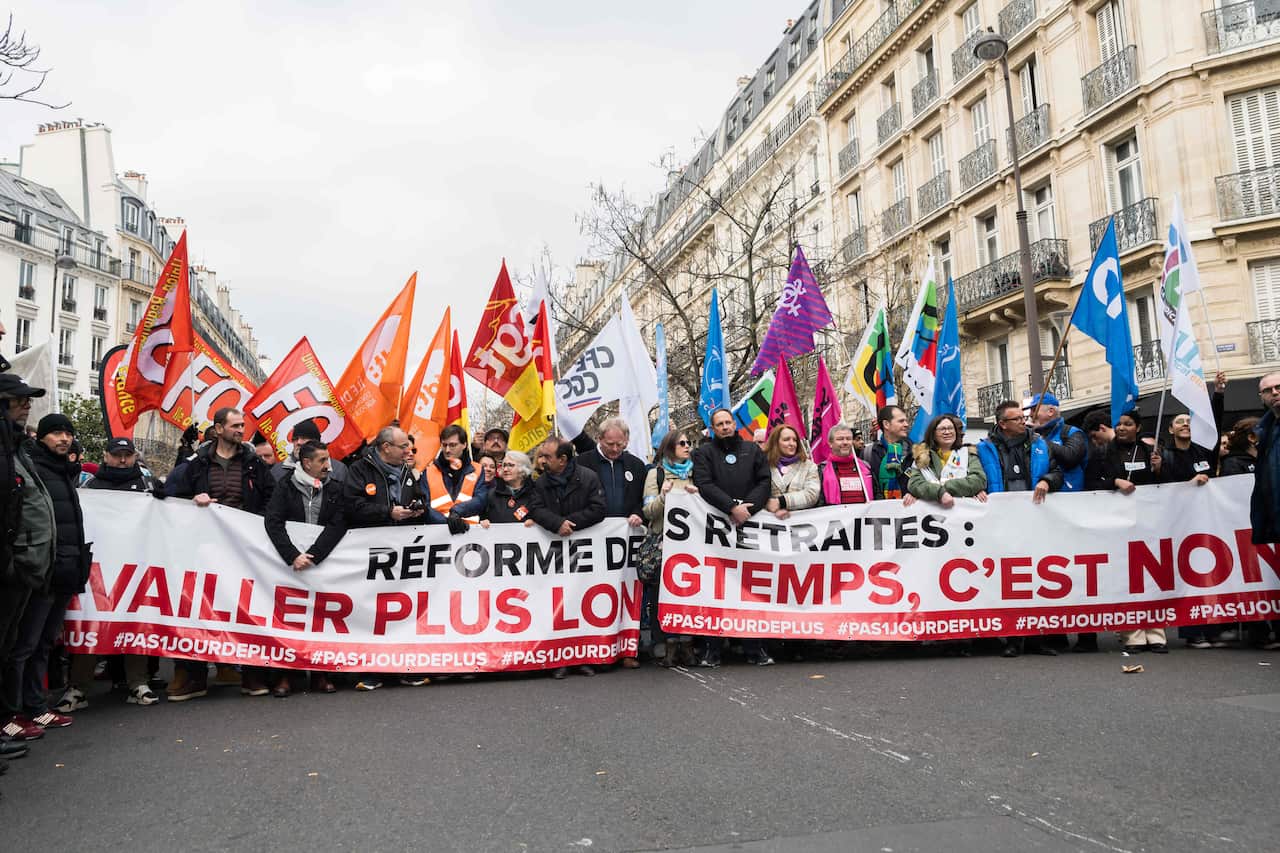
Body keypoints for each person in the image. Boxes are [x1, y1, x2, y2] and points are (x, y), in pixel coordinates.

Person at [164, 407, 275, 701]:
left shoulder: (253, 463)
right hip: (203, 550)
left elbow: (271, 499)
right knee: (199, 609)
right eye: (235, 425)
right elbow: (164, 494)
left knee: (247, 609)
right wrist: (191, 499)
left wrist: (254, 526)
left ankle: (251, 673)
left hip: (243, 550)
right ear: (218, 428)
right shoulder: (197, 463)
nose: (241, 430)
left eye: (242, 425)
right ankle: (192, 676)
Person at [57, 437, 159, 712]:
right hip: (99, 568)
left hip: (137, 564)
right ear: (105, 456)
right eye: (117, 455)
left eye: (128, 455)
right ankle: (78, 687)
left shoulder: (148, 485)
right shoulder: (91, 486)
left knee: (136, 622)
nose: (123, 460)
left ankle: (138, 682)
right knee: (92, 624)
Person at [2, 413, 87, 737]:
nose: (63, 439)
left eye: (67, 433)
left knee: (43, 643)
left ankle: (36, 706)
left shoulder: (64, 471)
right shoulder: (33, 468)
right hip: (41, 570)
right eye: (56, 433)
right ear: (42, 438)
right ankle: (13, 711)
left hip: (64, 568)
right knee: (24, 644)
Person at [343, 425, 435, 691]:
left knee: (401, 609)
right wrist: (387, 513)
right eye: (403, 446)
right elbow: (352, 506)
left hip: (403, 550)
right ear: (386, 448)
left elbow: (418, 497)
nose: (409, 450)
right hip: (372, 551)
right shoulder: (360, 470)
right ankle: (372, 671)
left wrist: (418, 508)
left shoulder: (407, 471)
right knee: (373, 611)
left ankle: (403, 667)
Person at [978, 400, 1063, 657]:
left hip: (1035, 520)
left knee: (1038, 579)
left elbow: (1058, 471)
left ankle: (1038, 639)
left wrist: (1048, 481)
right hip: (1002, 521)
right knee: (1010, 582)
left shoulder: (1040, 444)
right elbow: (976, 476)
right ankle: (1013, 639)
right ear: (1002, 424)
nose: (1023, 422)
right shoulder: (985, 448)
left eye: (1023, 417)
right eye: (1016, 419)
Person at [1086, 409, 1172, 653]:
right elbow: (1090, 483)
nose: (1122, 428)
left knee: (1152, 577)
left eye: (1127, 424)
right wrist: (1114, 482)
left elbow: (1164, 484)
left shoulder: (1148, 452)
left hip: (1148, 522)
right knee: (1127, 579)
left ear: (1138, 427)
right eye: (1119, 424)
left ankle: (1156, 633)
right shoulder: (1102, 453)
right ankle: (1132, 634)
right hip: (1118, 524)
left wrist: (1159, 469)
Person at [692, 407, 772, 666]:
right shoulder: (704, 453)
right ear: (713, 429)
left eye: (728, 422)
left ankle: (753, 648)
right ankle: (712, 649)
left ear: (733, 425)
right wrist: (730, 507)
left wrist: (748, 508)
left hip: (749, 526)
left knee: (749, 588)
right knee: (716, 589)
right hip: (717, 529)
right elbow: (704, 484)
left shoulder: (753, 451)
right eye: (720, 424)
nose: (725, 427)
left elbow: (764, 481)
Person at [264, 442, 345, 696]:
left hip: (319, 563)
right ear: (306, 463)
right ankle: (287, 674)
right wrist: (292, 555)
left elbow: (338, 523)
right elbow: (273, 521)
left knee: (320, 616)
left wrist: (315, 555)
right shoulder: (285, 486)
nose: (327, 466)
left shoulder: (334, 489)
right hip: (290, 566)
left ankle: (320, 674)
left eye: (327, 459)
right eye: (322, 460)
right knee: (291, 618)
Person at [0, 381, 53, 750]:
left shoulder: (19, 448)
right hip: (14, 565)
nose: (26, 407)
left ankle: (12, 715)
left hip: (28, 566)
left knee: (17, 644)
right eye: (19, 402)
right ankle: (8, 718)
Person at [530, 438, 606, 679]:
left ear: (562, 460)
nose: (542, 461)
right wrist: (556, 524)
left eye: (547, 457)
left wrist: (570, 524)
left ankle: (583, 657)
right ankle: (560, 658)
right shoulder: (540, 483)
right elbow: (536, 508)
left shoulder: (588, 477)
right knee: (557, 607)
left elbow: (598, 508)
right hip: (554, 556)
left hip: (583, 554)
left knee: (582, 604)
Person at [642, 431, 699, 667]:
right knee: (661, 594)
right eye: (682, 443)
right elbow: (648, 511)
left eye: (688, 443)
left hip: (692, 544)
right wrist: (664, 496)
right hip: (664, 544)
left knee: (689, 593)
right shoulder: (656, 475)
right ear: (669, 448)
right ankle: (665, 641)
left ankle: (687, 643)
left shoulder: (696, 473)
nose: (687, 447)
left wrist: (698, 497)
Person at [906, 415, 987, 507]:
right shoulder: (921, 457)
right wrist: (940, 493)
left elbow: (979, 480)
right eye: (942, 429)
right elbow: (915, 484)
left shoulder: (968, 454)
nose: (947, 432)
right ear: (933, 433)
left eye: (950, 428)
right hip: (933, 514)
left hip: (963, 514)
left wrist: (945, 487)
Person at [1160, 372, 1227, 484]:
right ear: (1171, 429)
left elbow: (1215, 422)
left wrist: (1218, 392)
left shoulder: (1205, 450)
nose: (1185, 424)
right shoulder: (1165, 456)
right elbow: (1165, 489)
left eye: (1189, 422)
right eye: (1179, 422)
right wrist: (1190, 484)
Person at [425, 424, 488, 529]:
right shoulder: (428, 471)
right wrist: (449, 524)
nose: (447, 450)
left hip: (470, 534)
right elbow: (425, 507)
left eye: (452, 445)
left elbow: (481, 500)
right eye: (444, 445)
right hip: (437, 535)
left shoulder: (478, 469)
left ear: (464, 445)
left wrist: (457, 512)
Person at [1029, 393, 1087, 492]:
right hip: (1041, 496)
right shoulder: (1033, 436)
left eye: (1034, 410)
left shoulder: (1072, 432)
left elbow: (1071, 456)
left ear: (1050, 411)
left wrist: (1040, 441)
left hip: (1069, 496)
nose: (1030, 414)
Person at [763, 424, 819, 519]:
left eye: (795, 440)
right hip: (770, 523)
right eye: (786, 439)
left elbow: (812, 494)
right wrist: (769, 505)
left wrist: (782, 502)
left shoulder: (809, 466)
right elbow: (756, 491)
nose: (792, 443)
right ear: (776, 442)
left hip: (801, 523)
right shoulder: (763, 464)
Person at [270, 418, 348, 485]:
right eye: (295, 439)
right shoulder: (278, 470)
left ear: (316, 442)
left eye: (304, 438)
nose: (299, 442)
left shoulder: (338, 470)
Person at [818, 423, 873, 506]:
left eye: (848, 439)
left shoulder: (866, 466)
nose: (845, 442)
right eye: (840, 439)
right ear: (830, 443)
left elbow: (877, 494)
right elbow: (819, 501)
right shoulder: (821, 469)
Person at [864, 406, 913, 500]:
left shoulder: (915, 452)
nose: (906, 424)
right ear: (886, 424)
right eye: (901, 421)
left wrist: (914, 494)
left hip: (911, 511)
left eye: (906, 421)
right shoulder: (868, 453)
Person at [480, 451, 536, 526]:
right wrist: (483, 521)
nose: (505, 469)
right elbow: (482, 518)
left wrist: (536, 522)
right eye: (504, 465)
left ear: (523, 469)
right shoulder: (492, 494)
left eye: (511, 465)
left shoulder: (535, 493)